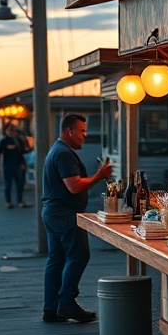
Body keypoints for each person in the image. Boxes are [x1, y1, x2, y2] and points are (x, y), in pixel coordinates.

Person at [41, 113, 112, 323]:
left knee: (56, 259)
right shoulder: (63, 153)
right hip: (64, 213)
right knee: (79, 255)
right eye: (81, 131)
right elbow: (73, 186)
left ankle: (51, 308)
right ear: (68, 131)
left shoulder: (57, 150)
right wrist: (99, 176)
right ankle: (67, 303)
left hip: (51, 211)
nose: (85, 135)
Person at [0, 124, 29, 208]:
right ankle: (8, 202)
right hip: (7, 165)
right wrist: (6, 148)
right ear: (6, 131)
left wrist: (23, 163)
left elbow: (23, 151)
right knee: (8, 184)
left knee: (20, 184)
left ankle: (20, 201)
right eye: (9, 130)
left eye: (13, 130)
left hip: (18, 164)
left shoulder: (17, 140)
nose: (11, 132)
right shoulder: (3, 141)